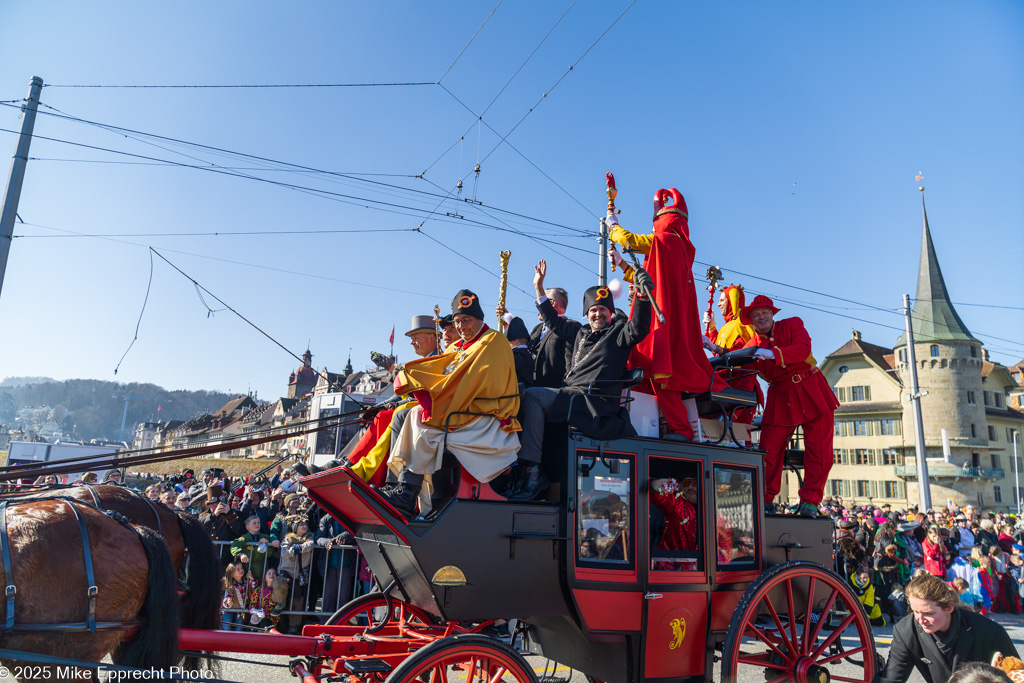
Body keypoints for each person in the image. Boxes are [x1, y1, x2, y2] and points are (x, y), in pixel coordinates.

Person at [514, 261, 653, 501]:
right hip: (572, 396)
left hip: (593, 402)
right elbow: (553, 321)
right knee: (523, 393)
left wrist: (641, 295)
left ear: (610, 313)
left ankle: (533, 472)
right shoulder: (580, 333)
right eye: (593, 311)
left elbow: (639, 327)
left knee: (535, 396)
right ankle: (523, 467)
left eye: (603, 310)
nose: (598, 314)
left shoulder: (618, 334)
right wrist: (539, 287)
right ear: (587, 314)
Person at [381, 289, 521, 516]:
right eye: (457, 322)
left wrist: (440, 398)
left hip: (483, 415)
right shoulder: (457, 347)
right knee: (410, 415)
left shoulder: (492, 340)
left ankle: (407, 495)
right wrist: (410, 375)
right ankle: (395, 485)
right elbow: (439, 371)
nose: (462, 326)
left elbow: (470, 383)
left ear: (479, 319)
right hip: (460, 409)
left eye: (467, 320)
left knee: (423, 423)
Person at [607, 188, 719, 442]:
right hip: (662, 320)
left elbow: (632, 241)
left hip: (661, 323)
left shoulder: (667, 241)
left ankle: (681, 430)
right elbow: (650, 280)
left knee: (661, 376)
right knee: (653, 375)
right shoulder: (676, 248)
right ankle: (658, 426)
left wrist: (614, 226)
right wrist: (624, 265)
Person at [740, 294, 839, 516]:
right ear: (751, 321)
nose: (761, 317)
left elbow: (803, 349)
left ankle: (810, 502)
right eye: (756, 315)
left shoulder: (793, 323)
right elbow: (738, 369)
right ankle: (764, 499)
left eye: (765, 312)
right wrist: (718, 352)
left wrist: (771, 353)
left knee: (820, 452)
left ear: (772, 314)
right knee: (768, 450)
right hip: (780, 395)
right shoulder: (751, 345)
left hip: (811, 388)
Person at [878, 574, 1018, 683]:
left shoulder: (990, 631)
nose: (920, 620)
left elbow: (1016, 674)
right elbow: (890, 679)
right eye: (915, 612)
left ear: (949, 608)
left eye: (928, 613)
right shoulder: (905, 631)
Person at [701, 284, 762, 425]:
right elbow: (719, 353)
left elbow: (738, 353)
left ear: (732, 301)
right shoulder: (728, 326)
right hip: (725, 383)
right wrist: (712, 328)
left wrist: (714, 347)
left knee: (738, 435)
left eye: (722, 300)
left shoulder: (741, 324)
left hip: (738, 385)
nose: (718, 304)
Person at [526, 285, 580, 388]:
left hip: (554, 390)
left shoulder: (570, 326)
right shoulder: (537, 329)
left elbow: (569, 363)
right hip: (531, 386)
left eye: (541, 299)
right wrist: (509, 325)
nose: (538, 305)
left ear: (551, 303)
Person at [221, 562, 255, 631]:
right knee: (226, 627)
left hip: (240, 610)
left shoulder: (246, 581)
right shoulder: (229, 584)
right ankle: (224, 640)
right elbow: (228, 595)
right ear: (232, 573)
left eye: (241, 568)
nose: (241, 570)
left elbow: (254, 586)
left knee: (239, 628)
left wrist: (251, 578)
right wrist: (228, 601)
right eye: (238, 569)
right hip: (229, 610)